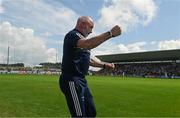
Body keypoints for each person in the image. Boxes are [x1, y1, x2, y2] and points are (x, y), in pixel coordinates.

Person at [59, 16, 121, 117]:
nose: (91, 31)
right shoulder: (73, 35)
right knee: (79, 115)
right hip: (71, 80)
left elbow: (89, 60)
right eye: (91, 27)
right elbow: (88, 44)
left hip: (81, 80)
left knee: (91, 112)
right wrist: (110, 34)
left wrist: (104, 65)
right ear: (83, 24)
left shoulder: (82, 41)